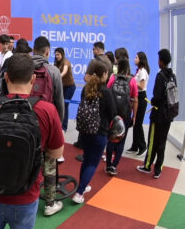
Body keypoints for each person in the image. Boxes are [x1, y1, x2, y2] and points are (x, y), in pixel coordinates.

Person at [0, 54, 64, 228]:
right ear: (33, 78)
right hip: (26, 195)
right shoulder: (47, 110)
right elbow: (56, 153)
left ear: (6, 77)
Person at [31, 36, 66, 215]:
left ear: (33, 50)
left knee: (28, 160)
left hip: (25, 122)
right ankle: (50, 204)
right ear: (47, 52)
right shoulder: (53, 71)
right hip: (47, 123)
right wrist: (57, 126)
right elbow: (59, 102)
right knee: (50, 164)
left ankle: (27, 196)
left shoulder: (23, 66)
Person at [72, 62, 115, 204]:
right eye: (107, 73)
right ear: (104, 74)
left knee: (86, 159)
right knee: (93, 163)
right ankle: (79, 193)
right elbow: (113, 113)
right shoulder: (106, 91)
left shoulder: (87, 87)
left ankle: (82, 186)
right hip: (100, 133)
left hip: (85, 131)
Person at [138, 49, 176, 179]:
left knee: (153, 140)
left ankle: (148, 166)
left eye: (159, 59)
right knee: (162, 142)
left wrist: (153, 101)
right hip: (169, 115)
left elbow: (157, 96)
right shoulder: (172, 76)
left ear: (161, 61)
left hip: (158, 114)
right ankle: (158, 169)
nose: (158, 61)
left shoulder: (160, 76)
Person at [104, 58, 138, 176]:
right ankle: (114, 165)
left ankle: (108, 164)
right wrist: (134, 116)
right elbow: (135, 99)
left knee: (110, 139)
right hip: (125, 114)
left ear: (118, 67)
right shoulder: (132, 81)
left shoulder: (113, 78)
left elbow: (107, 93)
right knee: (121, 141)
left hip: (113, 114)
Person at [128, 51, 151, 156]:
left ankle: (143, 146)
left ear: (141, 59)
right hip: (137, 97)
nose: (134, 59)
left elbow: (141, 86)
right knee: (135, 121)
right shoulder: (139, 71)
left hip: (141, 98)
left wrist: (131, 80)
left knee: (138, 123)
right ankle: (135, 146)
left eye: (136, 57)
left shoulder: (142, 71)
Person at [54, 48, 75, 131]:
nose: (57, 56)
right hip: (61, 86)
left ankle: (64, 127)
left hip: (70, 87)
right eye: (56, 55)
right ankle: (57, 124)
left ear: (62, 54)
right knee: (58, 104)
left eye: (58, 54)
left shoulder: (66, 62)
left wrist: (58, 76)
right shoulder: (56, 63)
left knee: (65, 105)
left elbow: (64, 71)